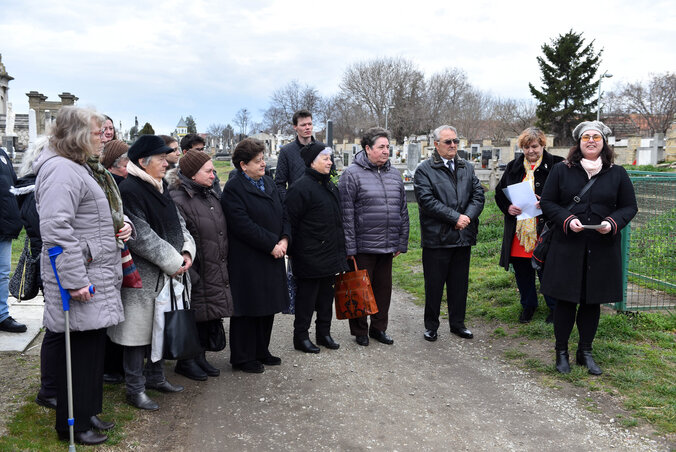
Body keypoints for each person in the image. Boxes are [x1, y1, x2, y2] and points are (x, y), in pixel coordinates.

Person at [33, 106, 131, 445]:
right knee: (79, 351)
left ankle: (88, 411)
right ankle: (72, 425)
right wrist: (74, 281)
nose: (101, 140)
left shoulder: (77, 167)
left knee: (92, 349)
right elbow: (57, 230)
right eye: (95, 133)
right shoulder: (61, 171)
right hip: (82, 276)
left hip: (97, 272)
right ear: (77, 135)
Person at [540, 121, 637, 375]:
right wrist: (567, 219)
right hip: (567, 246)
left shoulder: (617, 173)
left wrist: (612, 222)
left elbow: (629, 206)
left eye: (596, 137)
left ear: (604, 142)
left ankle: (585, 351)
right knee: (565, 302)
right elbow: (548, 202)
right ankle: (561, 352)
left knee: (592, 302)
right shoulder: (562, 170)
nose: (591, 141)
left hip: (601, 248)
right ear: (578, 143)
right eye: (586, 137)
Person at [107, 134, 195, 410]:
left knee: (161, 328)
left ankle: (156, 377)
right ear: (144, 162)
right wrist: (173, 261)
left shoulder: (160, 186)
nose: (166, 164)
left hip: (169, 273)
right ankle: (135, 389)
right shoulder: (131, 190)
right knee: (137, 335)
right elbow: (141, 236)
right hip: (144, 278)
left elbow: (179, 223)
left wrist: (187, 251)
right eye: (160, 159)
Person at [222, 138, 290, 373]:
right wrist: (271, 244)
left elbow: (283, 213)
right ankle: (242, 357)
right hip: (249, 258)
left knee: (267, 305)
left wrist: (284, 238)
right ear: (243, 165)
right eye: (258, 161)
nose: (263, 164)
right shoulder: (234, 188)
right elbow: (242, 224)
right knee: (248, 307)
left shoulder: (268, 183)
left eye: (263, 159)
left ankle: (262, 350)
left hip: (273, 253)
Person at [414, 125, 485, 342]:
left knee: (459, 284)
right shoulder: (425, 170)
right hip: (438, 237)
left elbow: (478, 195)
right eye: (448, 142)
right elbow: (427, 201)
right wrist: (455, 217)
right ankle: (431, 326)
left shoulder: (466, 167)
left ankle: (458, 324)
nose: (453, 145)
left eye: (455, 141)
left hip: (463, 237)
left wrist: (467, 217)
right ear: (436, 145)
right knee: (434, 285)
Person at [339, 127, 409, 346]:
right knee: (359, 289)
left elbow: (403, 210)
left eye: (388, 147)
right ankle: (360, 330)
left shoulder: (394, 174)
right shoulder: (351, 174)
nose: (386, 151)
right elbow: (346, 213)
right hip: (363, 245)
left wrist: (401, 241)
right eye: (381, 147)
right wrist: (349, 248)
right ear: (368, 149)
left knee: (383, 290)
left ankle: (379, 328)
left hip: (388, 244)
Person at [169, 150, 234, 380]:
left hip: (213, 264)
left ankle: (200, 357)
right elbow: (179, 236)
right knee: (193, 315)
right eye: (208, 170)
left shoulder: (209, 195)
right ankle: (186, 361)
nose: (213, 174)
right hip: (194, 269)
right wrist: (193, 271)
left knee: (207, 315)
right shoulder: (178, 199)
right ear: (192, 174)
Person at [495, 127, 563, 324]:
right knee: (523, 272)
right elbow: (500, 193)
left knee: (547, 270)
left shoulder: (557, 165)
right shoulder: (513, 166)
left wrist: (548, 204)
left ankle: (554, 307)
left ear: (543, 144)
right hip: (519, 231)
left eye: (534, 146)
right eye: (526, 147)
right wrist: (508, 208)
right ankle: (528, 305)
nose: (530, 151)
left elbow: (567, 194)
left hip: (546, 230)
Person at [286, 143, 348, 353]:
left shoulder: (329, 185)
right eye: (325, 158)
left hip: (329, 253)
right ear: (312, 161)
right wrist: (294, 252)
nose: (330, 162)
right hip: (309, 255)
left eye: (330, 158)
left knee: (325, 297)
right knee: (307, 298)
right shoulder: (300, 187)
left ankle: (324, 333)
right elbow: (290, 222)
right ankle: (301, 337)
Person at [0, 145, 27, 333]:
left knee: (2, 273)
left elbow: (13, 185)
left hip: (4, 225)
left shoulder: (2, 154)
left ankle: (2, 315)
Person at [275, 109, 320, 201]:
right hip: (296, 207)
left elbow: (332, 179)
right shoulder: (286, 152)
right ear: (295, 127)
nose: (307, 127)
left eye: (310, 124)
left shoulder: (323, 149)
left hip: (319, 206)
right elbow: (279, 184)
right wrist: (289, 204)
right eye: (303, 125)